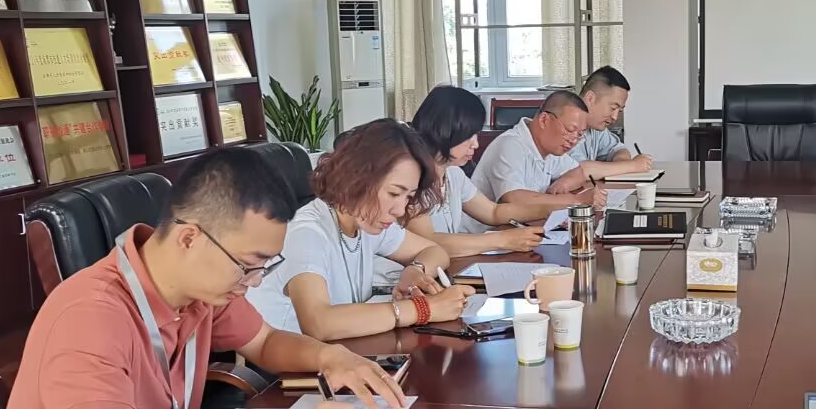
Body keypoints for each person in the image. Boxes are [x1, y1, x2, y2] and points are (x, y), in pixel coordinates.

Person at [0, 147, 405, 409]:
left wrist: (331, 357)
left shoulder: (199, 292)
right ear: (189, 238)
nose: (256, 282)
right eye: (248, 265)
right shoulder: (89, 316)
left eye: (265, 266)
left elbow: (265, 341)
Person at [246, 119, 474, 342]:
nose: (399, 210)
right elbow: (319, 324)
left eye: (408, 197)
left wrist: (415, 270)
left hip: (345, 350)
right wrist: (424, 309)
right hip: (292, 362)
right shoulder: (306, 233)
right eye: (394, 193)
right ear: (357, 177)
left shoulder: (366, 219)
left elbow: (435, 251)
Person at [404, 85, 549, 260]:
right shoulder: (410, 178)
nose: (476, 144)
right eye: (469, 135)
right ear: (445, 131)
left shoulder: (453, 173)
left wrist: (550, 211)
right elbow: (428, 241)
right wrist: (501, 240)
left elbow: (493, 212)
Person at [470, 89, 609, 214]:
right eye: (569, 130)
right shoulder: (510, 144)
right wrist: (577, 200)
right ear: (544, 120)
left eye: (579, 134)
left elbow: (578, 172)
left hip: (520, 226)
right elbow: (514, 199)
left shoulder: (551, 148)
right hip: (485, 232)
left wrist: (564, 183)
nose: (573, 140)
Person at [570, 66, 656, 178]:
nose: (615, 117)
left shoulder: (595, 126)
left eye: (619, 110)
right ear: (590, 98)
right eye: (613, 108)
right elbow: (578, 171)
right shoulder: (565, 125)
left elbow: (618, 149)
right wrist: (632, 166)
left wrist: (622, 165)